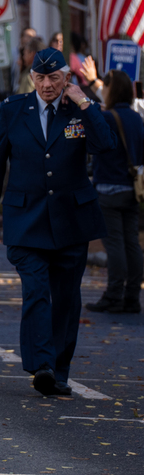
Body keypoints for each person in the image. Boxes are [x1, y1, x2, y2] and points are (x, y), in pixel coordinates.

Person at [0, 48, 115, 395]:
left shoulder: (78, 110)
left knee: (67, 299)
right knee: (36, 290)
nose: (47, 84)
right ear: (32, 78)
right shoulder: (12, 110)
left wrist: (84, 100)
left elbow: (105, 144)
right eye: (41, 78)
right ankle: (42, 365)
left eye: (55, 78)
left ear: (66, 78)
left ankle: (60, 369)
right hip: (26, 220)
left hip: (72, 219)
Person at [88, 69, 144, 314]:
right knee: (132, 242)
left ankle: (113, 294)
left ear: (111, 90)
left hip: (109, 188)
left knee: (115, 245)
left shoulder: (108, 118)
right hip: (132, 188)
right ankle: (132, 296)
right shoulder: (136, 118)